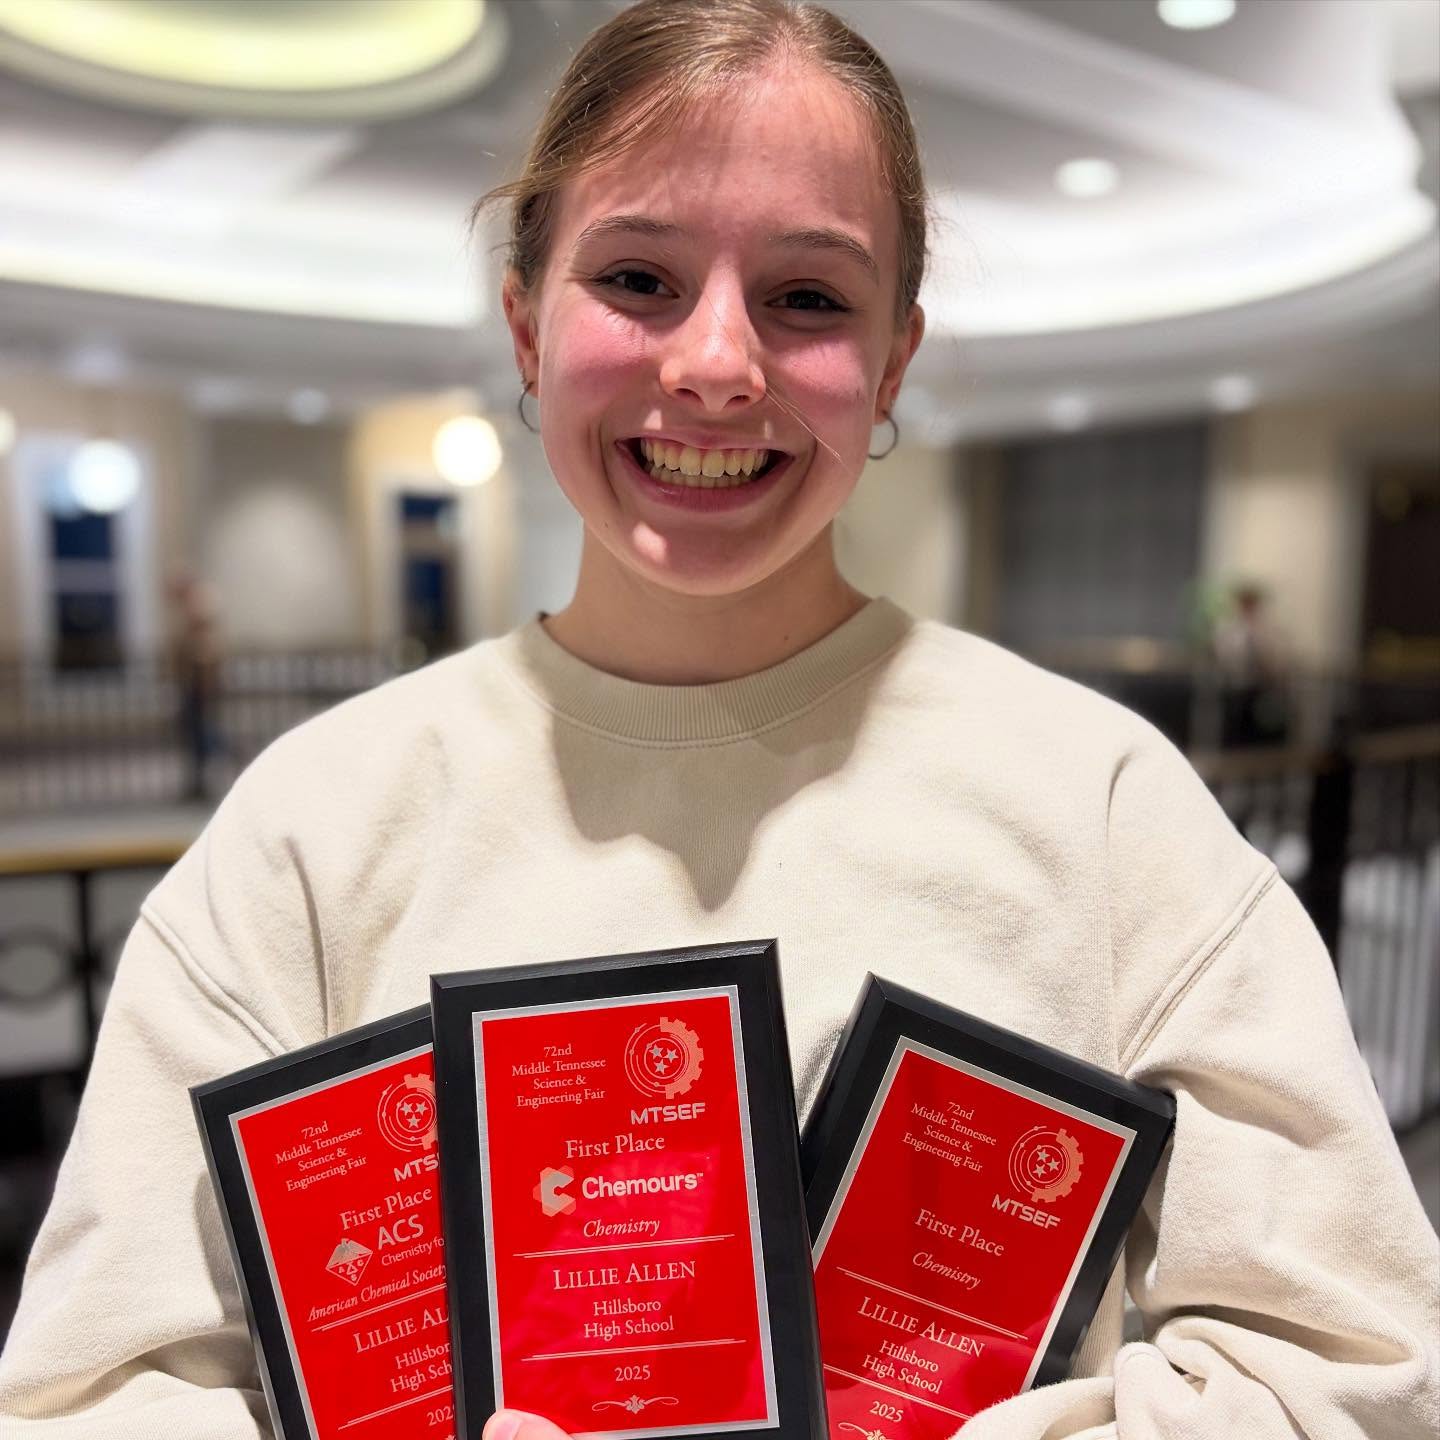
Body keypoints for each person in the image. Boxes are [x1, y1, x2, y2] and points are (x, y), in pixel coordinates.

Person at [1, 2, 1435, 1437]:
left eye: (810, 299)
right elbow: (98, 1392)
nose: (715, 363)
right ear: (525, 325)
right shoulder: (308, 832)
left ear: (889, 365)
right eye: (638, 276)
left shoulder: (1106, 806)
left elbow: (1351, 1368)